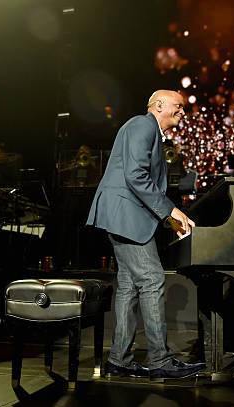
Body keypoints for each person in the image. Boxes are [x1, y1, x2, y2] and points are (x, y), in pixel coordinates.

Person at [86, 90, 205, 380]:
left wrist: (166, 218)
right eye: (179, 106)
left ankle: (119, 360)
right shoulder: (143, 124)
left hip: (125, 215)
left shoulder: (149, 131)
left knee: (128, 286)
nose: (183, 111)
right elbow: (136, 175)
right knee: (152, 279)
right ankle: (160, 360)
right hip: (124, 215)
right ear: (159, 105)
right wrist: (171, 211)